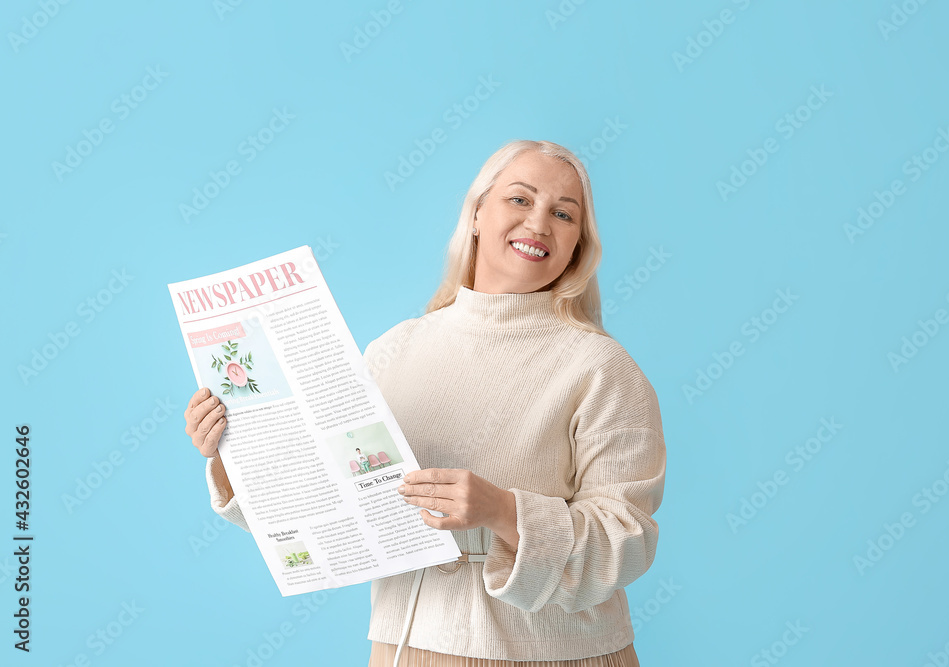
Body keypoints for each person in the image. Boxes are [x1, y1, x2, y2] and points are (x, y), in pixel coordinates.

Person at [184, 140, 666, 667]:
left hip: (550, 655)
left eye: (563, 213)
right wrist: (232, 452)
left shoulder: (601, 367)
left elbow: (628, 540)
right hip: (402, 651)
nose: (539, 224)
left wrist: (503, 511)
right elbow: (334, 501)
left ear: (578, 243)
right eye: (520, 200)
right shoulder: (395, 350)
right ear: (478, 213)